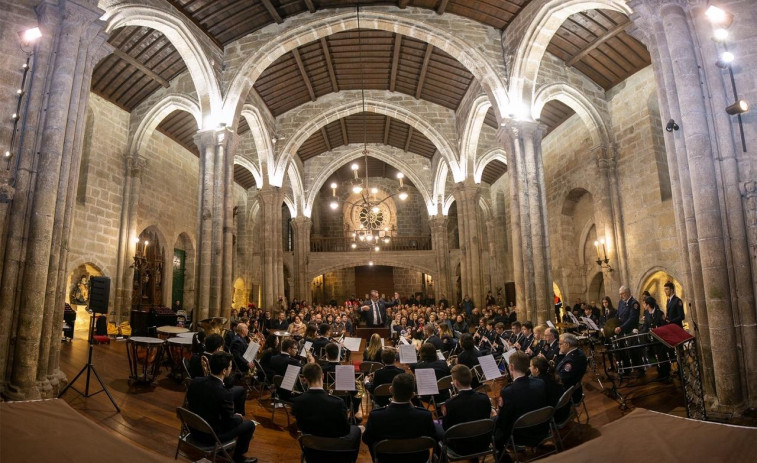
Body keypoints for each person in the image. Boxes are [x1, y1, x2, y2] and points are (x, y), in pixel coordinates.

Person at [186, 352, 257, 463]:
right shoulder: (224, 393)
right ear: (224, 371)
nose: (231, 369)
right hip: (210, 437)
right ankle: (238, 459)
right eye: (230, 366)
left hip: (192, 430)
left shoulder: (195, 381)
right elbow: (229, 422)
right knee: (250, 425)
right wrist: (238, 417)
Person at [292, 363, 361, 463]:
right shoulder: (337, 402)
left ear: (305, 379)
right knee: (357, 430)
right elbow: (345, 430)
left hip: (311, 448)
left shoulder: (297, 401)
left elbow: (301, 425)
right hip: (335, 446)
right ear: (323, 376)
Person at [362, 373, 437, 463]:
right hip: (418, 459)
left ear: (391, 390)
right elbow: (432, 437)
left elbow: (366, 439)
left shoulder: (376, 416)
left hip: (386, 460)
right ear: (413, 395)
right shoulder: (425, 415)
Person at [493, 351, 548, 454]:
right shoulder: (540, 383)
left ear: (511, 367)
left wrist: (495, 415)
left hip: (520, 436)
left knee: (495, 427)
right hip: (542, 429)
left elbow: (503, 421)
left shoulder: (508, 392)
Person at [439, 364, 493, 455]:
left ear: (455, 383)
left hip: (460, 448)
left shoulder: (450, 404)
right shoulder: (484, 398)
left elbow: (446, 428)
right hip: (483, 444)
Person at [556, 333, 587, 403]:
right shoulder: (578, 352)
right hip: (573, 388)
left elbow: (561, 379)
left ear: (567, 344)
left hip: (567, 394)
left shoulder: (571, 360)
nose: (558, 346)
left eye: (560, 344)